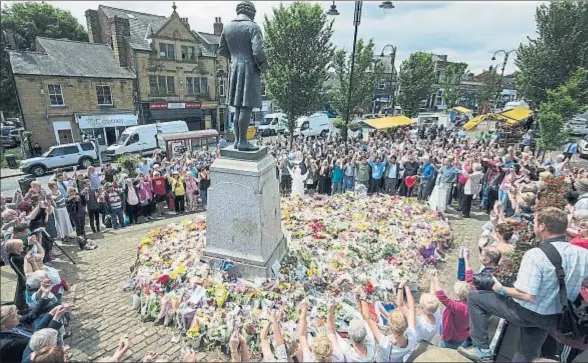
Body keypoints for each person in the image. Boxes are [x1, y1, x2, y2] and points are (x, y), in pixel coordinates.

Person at [459, 207, 588, 362]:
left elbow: (527, 295)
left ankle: (481, 349)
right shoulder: (582, 254)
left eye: (534, 222)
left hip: (525, 312)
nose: (533, 225)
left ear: (542, 227)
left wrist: (501, 289)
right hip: (554, 316)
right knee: (527, 353)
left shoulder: (535, 255)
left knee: (474, 297)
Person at [0, 289, 67, 363]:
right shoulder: (11, 344)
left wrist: (52, 311)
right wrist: (56, 318)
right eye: (14, 316)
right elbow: (39, 340)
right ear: (4, 323)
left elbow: (32, 316)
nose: (19, 316)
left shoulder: (13, 326)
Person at [363, 281, 417, 362]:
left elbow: (368, 318)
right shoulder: (412, 336)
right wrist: (404, 286)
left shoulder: (384, 343)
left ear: (390, 327)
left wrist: (363, 297)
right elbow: (411, 308)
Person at [431, 270, 471, 349]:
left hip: (450, 336)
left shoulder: (458, 306)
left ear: (461, 297)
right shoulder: (473, 305)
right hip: (462, 335)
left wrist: (435, 279)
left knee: (445, 350)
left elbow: (441, 296)